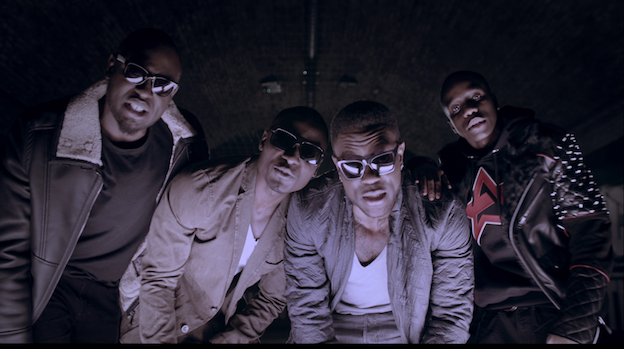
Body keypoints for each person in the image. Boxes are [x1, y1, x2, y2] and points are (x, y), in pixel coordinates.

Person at [0, 28, 209, 343]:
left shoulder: (184, 146)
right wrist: (11, 333)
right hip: (48, 287)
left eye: (163, 84)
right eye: (137, 72)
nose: (146, 91)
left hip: (111, 297)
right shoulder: (39, 135)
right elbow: (8, 250)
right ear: (112, 65)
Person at [407, 70, 613, 344]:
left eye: (476, 96)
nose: (469, 109)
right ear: (452, 125)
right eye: (456, 108)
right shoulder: (454, 169)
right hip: (489, 323)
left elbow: (593, 235)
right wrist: (419, 166)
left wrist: (576, 323)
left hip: (553, 310)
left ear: (494, 100)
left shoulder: (550, 144)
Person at [118, 106, 329, 344]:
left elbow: (272, 299)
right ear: (264, 140)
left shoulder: (297, 225)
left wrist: (234, 338)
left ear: (316, 169)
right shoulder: (199, 188)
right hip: (157, 322)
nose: (292, 156)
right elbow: (158, 278)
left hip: (221, 326)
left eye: (309, 152)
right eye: (284, 139)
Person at [284, 100, 474, 344]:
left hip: (409, 332)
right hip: (333, 329)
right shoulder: (308, 209)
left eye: (383, 159)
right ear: (338, 169)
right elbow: (307, 310)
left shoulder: (443, 214)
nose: (370, 178)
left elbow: (450, 315)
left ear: (401, 155)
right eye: (353, 166)